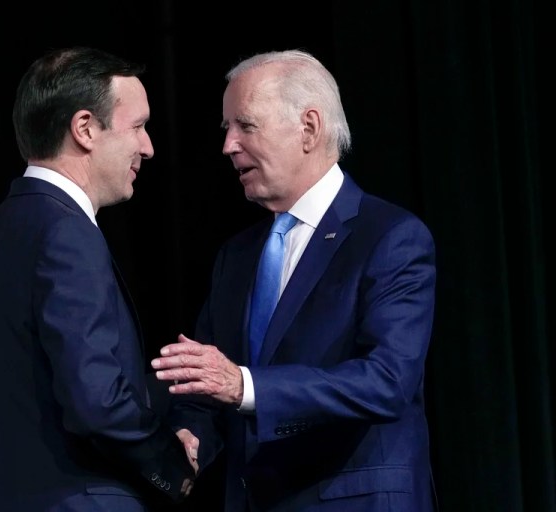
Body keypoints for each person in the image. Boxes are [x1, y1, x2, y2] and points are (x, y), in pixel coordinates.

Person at [151, 49, 438, 511]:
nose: (228, 146)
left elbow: (387, 381)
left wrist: (246, 387)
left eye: (245, 125)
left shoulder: (390, 238)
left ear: (309, 127)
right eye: (227, 129)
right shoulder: (236, 256)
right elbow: (208, 389)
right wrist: (188, 439)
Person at [0, 46, 197, 512]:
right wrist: (171, 465)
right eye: (138, 126)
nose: (147, 146)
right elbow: (95, 403)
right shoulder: (66, 231)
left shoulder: (0, 232)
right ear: (85, 128)